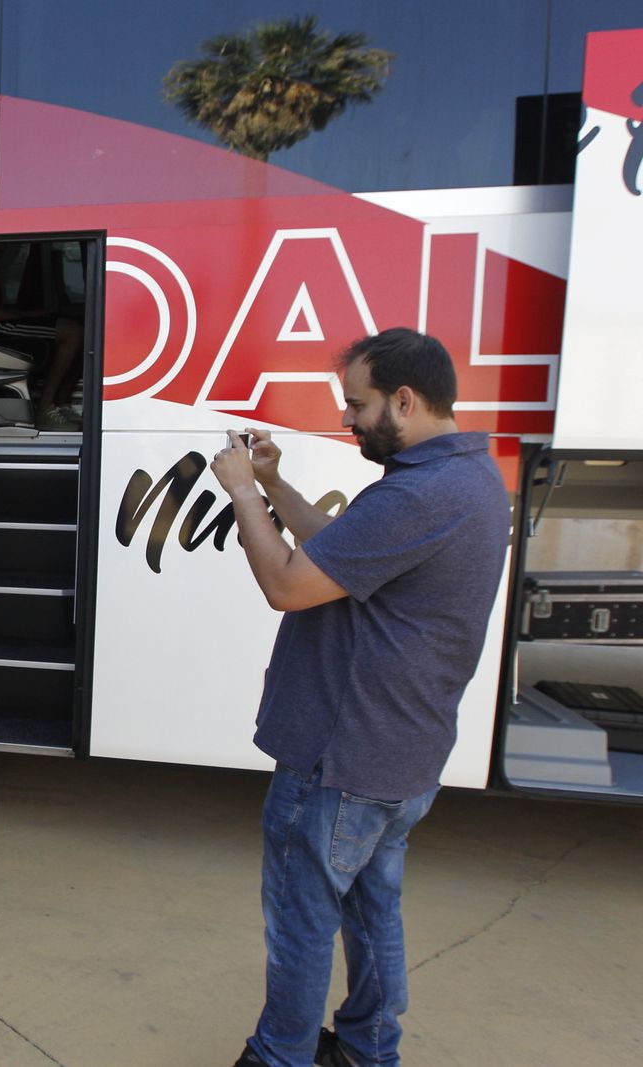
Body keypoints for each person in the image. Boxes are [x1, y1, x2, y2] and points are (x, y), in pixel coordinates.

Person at [208, 328, 511, 1067]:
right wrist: (277, 486)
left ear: (404, 400)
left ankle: (281, 1054)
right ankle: (371, 1047)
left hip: (339, 757)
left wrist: (242, 490)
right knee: (372, 911)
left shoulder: (419, 493)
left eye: (358, 403)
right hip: (400, 755)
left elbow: (287, 582)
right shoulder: (468, 477)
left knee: (304, 918)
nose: (348, 418)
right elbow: (338, 554)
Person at [0, 243, 84, 430]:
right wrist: (25, 315)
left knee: (80, 330)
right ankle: (46, 408)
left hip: (0, 325)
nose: (3, 247)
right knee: (72, 332)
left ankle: (62, 404)